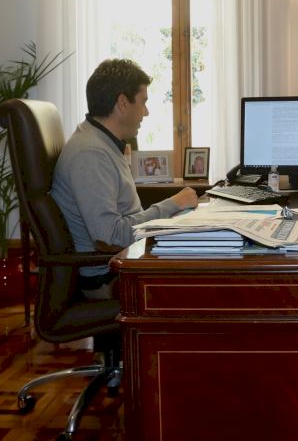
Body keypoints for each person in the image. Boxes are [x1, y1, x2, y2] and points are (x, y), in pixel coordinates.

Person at [51, 58, 199, 298]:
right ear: (122, 103)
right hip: (107, 278)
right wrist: (173, 204)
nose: (146, 112)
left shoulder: (102, 142)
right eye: (143, 102)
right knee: (205, 283)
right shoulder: (90, 153)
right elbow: (108, 237)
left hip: (124, 261)